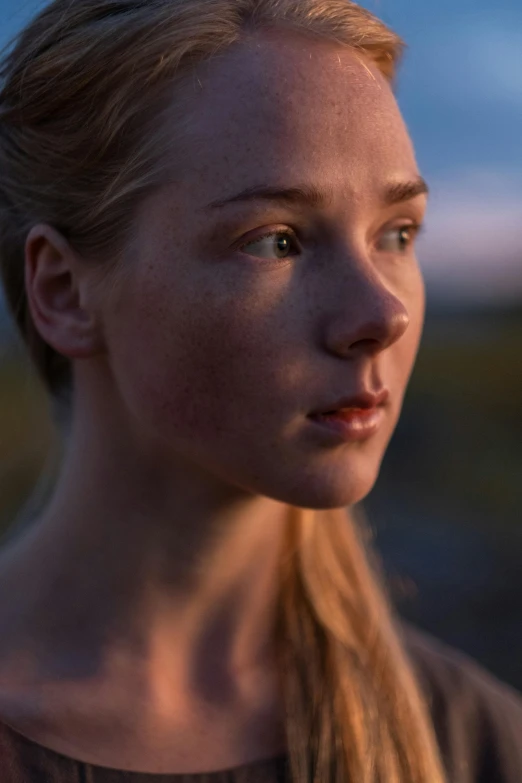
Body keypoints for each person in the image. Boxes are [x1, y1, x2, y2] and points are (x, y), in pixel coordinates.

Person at [0, 0, 520, 781]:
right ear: (66, 291)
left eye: (397, 233)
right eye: (276, 240)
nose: (383, 311)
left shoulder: (473, 744)